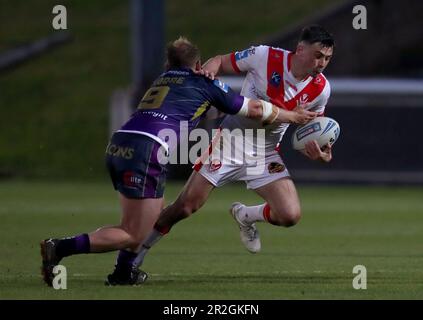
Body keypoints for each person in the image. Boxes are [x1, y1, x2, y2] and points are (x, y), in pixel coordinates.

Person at [40, 37, 316, 286]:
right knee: (135, 232)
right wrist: (293, 116)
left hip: (120, 143)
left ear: (168, 63)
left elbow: (195, 110)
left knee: (154, 210)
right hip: (148, 150)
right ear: (197, 64)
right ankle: (61, 247)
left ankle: (124, 274)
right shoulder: (203, 81)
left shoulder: (162, 80)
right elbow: (254, 108)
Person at [132, 25, 335, 277]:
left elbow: (314, 129)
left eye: (327, 58)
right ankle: (134, 256)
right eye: (318, 55)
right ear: (300, 49)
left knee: (290, 215)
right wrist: (207, 73)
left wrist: (319, 152)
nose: (322, 63)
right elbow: (219, 61)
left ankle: (245, 215)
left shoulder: (322, 88)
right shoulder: (264, 56)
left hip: (264, 151)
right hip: (230, 141)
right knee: (185, 207)